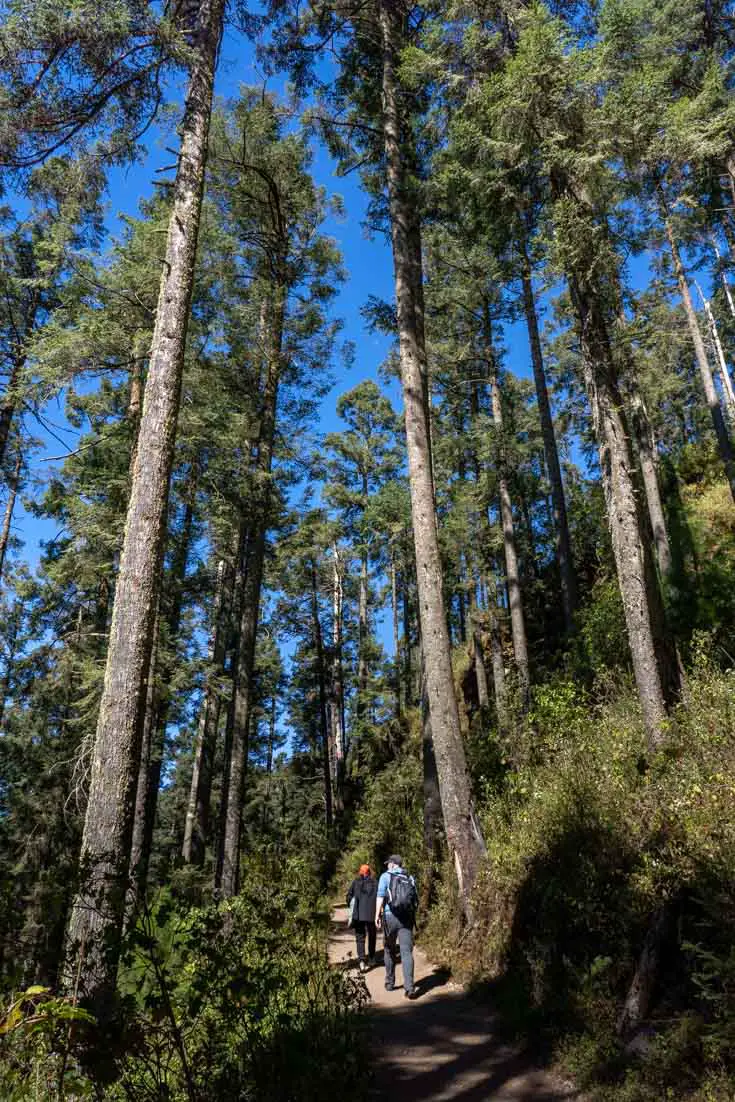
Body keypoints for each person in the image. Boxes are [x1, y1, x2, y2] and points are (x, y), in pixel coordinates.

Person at [375, 854, 418, 999]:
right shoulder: (410, 877)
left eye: (389, 863)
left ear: (393, 864)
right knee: (406, 952)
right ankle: (410, 988)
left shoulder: (385, 876)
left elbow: (380, 897)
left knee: (388, 949)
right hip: (406, 919)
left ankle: (390, 982)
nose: (387, 865)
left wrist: (376, 916)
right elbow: (415, 900)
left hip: (389, 917)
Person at [346, 863, 378, 972]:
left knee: (360, 938)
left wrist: (350, 904)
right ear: (369, 872)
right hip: (372, 915)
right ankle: (372, 958)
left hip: (358, 914)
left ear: (360, 872)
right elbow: (380, 897)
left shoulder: (356, 882)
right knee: (372, 936)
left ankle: (362, 961)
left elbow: (349, 896)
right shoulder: (375, 883)